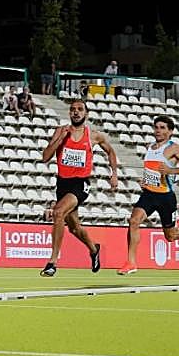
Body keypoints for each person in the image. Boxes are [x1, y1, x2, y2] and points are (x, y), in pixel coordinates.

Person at [38, 98, 118, 276]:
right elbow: (45, 157)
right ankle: (93, 249)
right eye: (73, 109)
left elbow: (111, 151)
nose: (76, 112)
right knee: (74, 228)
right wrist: (60, 139)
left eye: (80, 109)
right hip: (62, 184)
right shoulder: (61, 131)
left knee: (58, 212)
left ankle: (52, 262)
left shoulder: (94, 135)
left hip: (80, 184)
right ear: (69, 113)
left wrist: (114, 173)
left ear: (86, 113)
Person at [117, 115, 179, 275]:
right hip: (149, 194)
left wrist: (171, 171)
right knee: (133, 221)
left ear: (170, 131)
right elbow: (152, 170)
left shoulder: (174, 148)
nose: (158, 130)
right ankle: (131, 262)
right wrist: (145, 181)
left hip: (165, 197)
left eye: (162, 128)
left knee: (169, 236)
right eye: (156, 127)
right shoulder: (150, 147)